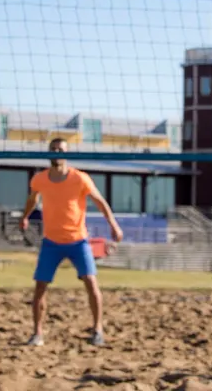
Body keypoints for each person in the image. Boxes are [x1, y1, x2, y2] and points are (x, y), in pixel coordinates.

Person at [20, 137, 124, 347]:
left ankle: (97, 330)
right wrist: (25, 216)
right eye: (53, 149)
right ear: (48, 152)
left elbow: (100, 202)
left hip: (78, 241)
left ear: (66, 153)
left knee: (91, 283)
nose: (56, 152)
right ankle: (37, 333)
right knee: (40, 288)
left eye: (60, 149)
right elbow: (33, 199)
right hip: (51, 241)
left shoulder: (80, 179)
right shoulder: (39, 179)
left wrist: (114, 225)